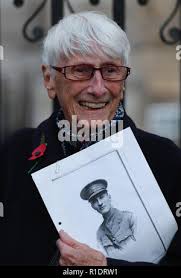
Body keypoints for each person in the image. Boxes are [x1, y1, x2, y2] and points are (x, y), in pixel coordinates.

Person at [0, 11, 181, 266]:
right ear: (49, 79)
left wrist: (104, 268)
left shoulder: (165, 159)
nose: (98, 88)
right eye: (80, 71)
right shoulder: (14, 155)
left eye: (110, 70)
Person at [80, 179, 136, 258]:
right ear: (92, 206)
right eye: (94, 201)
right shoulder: (99, 234)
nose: (100, 203)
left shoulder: (130, 217)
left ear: (109, 197)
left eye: (101, 197)